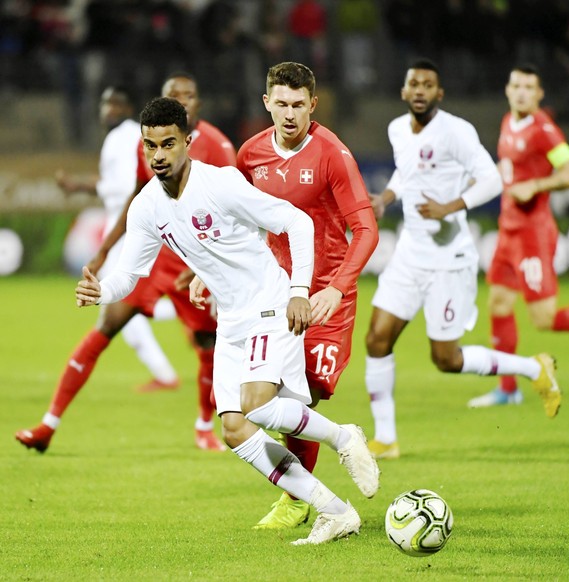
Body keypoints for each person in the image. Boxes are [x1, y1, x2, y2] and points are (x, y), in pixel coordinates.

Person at [75, 96, 380, 545]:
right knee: (236, 430)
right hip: (233, 318)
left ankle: (343, 436)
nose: (158, 156)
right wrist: (102, 289)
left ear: (188, 142)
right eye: (150, 146)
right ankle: (334, 511)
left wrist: (299, 291)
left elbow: (296, 222)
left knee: (257, 405)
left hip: (269, 302)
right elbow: (130, 273)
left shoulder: (220, 184)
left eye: (168, 144)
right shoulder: (146, 207)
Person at [15, 73, 234, 454]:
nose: (182, 102)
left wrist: (206, 265)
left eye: (189, 96)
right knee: (105, 328)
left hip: (194, 263)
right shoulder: (147, 144)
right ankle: (48, 425)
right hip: (153, 258)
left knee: (207, 343)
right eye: (173, 96)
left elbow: (234, 213)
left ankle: (203, 427)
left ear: (199, 102)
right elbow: (137, 195)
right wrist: (103, 252)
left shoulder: (217, 147)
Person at [364, 59, 562, 460]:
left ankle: (532, 368)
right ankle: (386, 438)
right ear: (404, 92)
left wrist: (449, 206)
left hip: (449, 257)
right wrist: (384, 199)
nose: (419, 89)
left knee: (446, 359)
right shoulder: (397, 129)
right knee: (376, 339)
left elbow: (491, 178)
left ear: (439, 93)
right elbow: (407, 172)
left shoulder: (456, 131)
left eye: (428, 84)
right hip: (409, 254)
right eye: (413, 83)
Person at [237, 61, 379, 530]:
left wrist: (337, 289)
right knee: (274, 398)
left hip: (324, 297)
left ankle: (304, 493)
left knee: (308, 393)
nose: (290, 113)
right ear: (267, 104)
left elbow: (366, 228)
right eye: (281, 103)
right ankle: (300, 497)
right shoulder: (250, 155)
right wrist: (210, 272)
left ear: (313, 105)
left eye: (299, 104)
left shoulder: (332, 154)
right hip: (275, 296)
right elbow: (240, 220)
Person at [468, 64, 569, 409]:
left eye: (528, 87)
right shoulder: (507, 121)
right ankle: (507, 389)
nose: (520, 92)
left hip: (533, 233)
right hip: (508, 232)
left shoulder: (544, 130)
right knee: (498, 304)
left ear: (538, 93)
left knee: (543, 319)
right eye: (516, 85)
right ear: (507, 89)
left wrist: (538, 184)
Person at [55, 85, 181, 392]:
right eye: (104, 105)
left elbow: (127, 187)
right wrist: (78, 187)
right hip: (131, 221)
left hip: (126, 223)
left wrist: (83, 191)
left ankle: (180, 316)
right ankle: (164, 372)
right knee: (119, 303)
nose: (106, 111)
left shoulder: (119, 138)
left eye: (113, 105)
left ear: (126, 109)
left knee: (117, 302)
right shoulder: (130, 136)